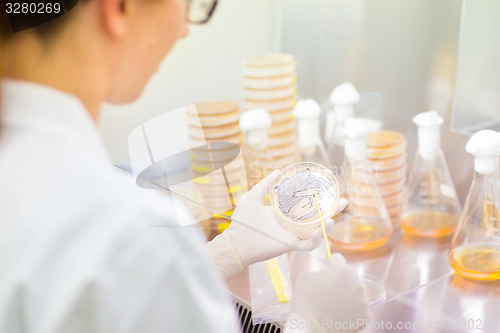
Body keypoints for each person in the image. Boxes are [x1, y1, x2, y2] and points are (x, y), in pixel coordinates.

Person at [0, 1, 369, 332]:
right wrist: (314, 325)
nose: (183, 28)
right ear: (119, 8)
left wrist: (229, 250)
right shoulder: (129, 232)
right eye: (190, 3)